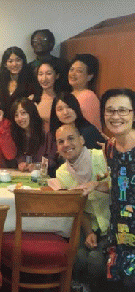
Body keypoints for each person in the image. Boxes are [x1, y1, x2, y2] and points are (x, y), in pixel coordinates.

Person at [50, 124, 110, 292]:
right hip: (90, 224)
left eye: (71, 138)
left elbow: (123, 187)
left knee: (96, 261)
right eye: (60, 141)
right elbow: (79, 208)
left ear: (82, 140)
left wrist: (96, 184)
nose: (66, 144)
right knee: (79, 257)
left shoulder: (101, 157)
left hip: (116, 222)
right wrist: (89, 231)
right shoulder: (63, 173)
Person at [101, 88, 135, 291]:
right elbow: (119, 185)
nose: (116, 116)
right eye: (110, 111)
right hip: (119, 232)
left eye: (123, 110)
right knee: (115, 283)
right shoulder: (109, 148)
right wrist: (94, 185)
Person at [10, 99, 56, 173]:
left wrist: (36, 166)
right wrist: (21, 163)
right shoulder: (18, 133)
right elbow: (19, 155)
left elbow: (53, 161)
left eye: (23, 113)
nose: (20, 118)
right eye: (16, 115)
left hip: (47, 175)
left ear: (31, 112)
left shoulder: (47, 131)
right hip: (27, 175)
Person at [0, 46, 35, 120]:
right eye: (10, 61)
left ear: (23, 62)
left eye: (18, 60)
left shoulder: (30, 80)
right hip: (3, 122)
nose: (14, 64)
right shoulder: (1, 81)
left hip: (22, 121)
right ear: (5, 64)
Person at [69, 54, 102, 131]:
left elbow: (89, 129)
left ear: (89, 76)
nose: (73, 74)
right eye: (71, 69)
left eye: (79, 71)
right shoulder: (68, 95)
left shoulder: (88, 97)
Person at [29, 59, 63, 132]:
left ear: (57, 75)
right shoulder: (32, 99)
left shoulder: (62, 99)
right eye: (40, 74)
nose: (44, 79)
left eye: (48, 73)